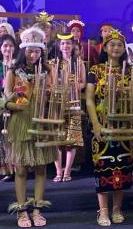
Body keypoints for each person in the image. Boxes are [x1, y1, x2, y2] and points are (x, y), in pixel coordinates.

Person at [4, 27, 57, 227]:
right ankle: (21, 210)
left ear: (42, 51)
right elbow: (7, 97)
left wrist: (50, 92)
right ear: (23, 50)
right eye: (30, 50)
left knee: (41, 167)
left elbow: (53, 94)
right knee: (20, 169)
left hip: (42, 120)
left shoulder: (48, 70)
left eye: (37, 51)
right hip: (20, 121)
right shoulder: (12, 69)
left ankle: (37, 209)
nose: (33, 54)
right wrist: (15, 102)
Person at [86, 29, 133, 226]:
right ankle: (103, 210)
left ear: (124, 49)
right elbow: (89, 100)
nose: (116, 48)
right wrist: (96, 125)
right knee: (103, 167)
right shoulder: (95, 71)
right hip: (102, 126)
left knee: (121, 167)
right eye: (112, 44)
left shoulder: (130, 71)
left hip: (123, 127)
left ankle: (117, 208)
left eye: (120, 45)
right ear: (105, 47)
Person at [51, 34, 86, 183]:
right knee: (58, 138)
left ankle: (67, 170)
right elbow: (51, 83)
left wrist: (75, 86)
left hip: (74, 102)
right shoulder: (54, 63)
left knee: (72, 138)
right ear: (59, 46)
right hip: (58, 104)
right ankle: (58, 170)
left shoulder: (78, 62)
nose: (66, 46)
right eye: (63, 43)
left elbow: (83, 83)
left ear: (72, 46)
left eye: (68, 44)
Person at [0, 34, 17, 182]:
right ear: (0, 48)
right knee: (4, 138)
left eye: (10, 45)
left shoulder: (18, 65)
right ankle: (8, 170)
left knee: (16, 137)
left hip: (17, 104)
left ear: (15, 48)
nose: (7, 48)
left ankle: (20, 168)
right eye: (5, 46)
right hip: (1, 105)